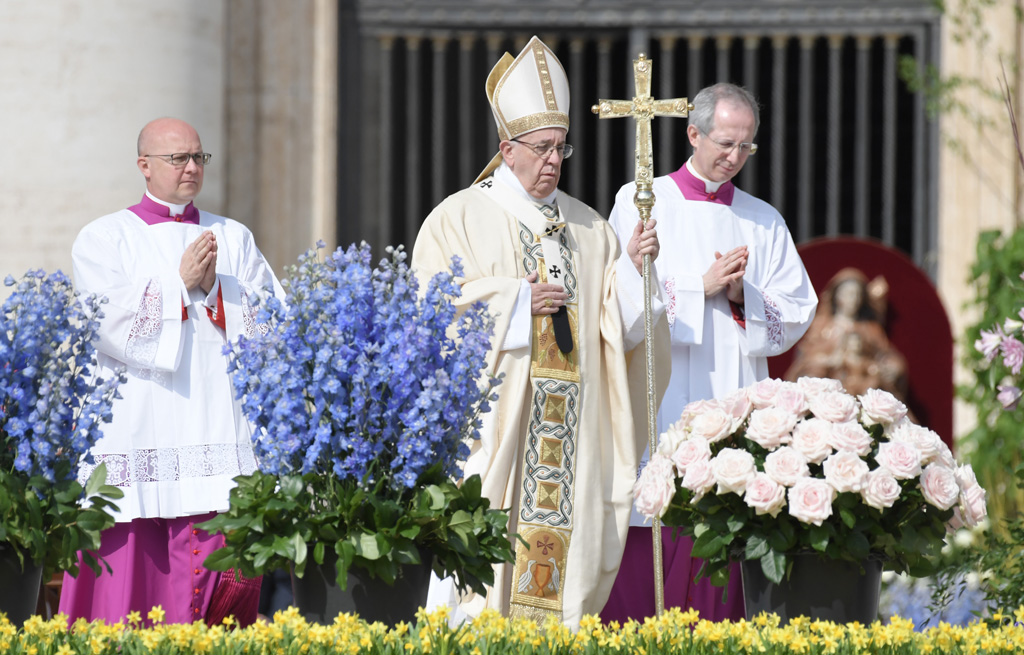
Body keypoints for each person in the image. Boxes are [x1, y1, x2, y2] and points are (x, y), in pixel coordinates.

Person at [412, 36, 670, 629]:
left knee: (562, 600)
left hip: (572, 441)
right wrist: (512, 302)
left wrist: (632, 268)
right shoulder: (457, 218)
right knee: (481, 593)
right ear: (506, 148)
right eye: (540, 148)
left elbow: (620, 333)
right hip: (498, 436)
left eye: (561, 148)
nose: (553, 160)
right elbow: (431, 315)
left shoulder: (592, 227)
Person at [604, 83, 818, 622]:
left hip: (734, 394)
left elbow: (799, 308)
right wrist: (701, 286)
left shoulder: (763, 219)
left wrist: (745, 295)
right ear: (692, 133)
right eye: (725, 143)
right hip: (664, 396)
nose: (735, 157)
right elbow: (619, 303)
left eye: (747, 146)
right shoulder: (639, 201)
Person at [58, 117, 283, 626]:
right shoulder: (104, 237)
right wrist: (177, 284)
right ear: (144, 166)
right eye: (177, 158)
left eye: (198, 157)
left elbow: (273, 324)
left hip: (217, 428)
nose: (190, 168)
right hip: (141, 427)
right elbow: (103, 322)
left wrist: (217, 292)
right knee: (134, 572)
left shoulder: (233, 236)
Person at [784, 268, 908, 399]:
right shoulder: (822, 326)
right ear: (836, 296)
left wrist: (893, 366)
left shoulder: (870, 328)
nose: (853, 300)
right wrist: (829, 361)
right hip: (828, 387)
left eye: (857, 295)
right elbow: (806, 358)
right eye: (848, 294)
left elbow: (885, 355)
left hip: (862, 386)